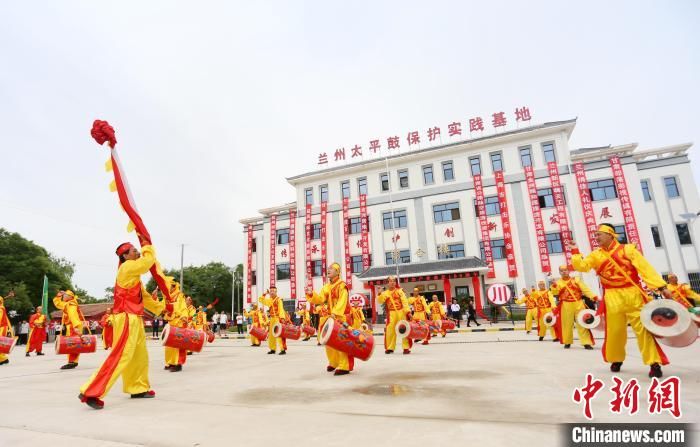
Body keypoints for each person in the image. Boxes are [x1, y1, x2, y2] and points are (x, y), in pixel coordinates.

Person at [569, 223, 672, 378]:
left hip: (633, 295)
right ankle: (616, 359)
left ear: (610, 234)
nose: (596, 237)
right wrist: (575, 251)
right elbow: (582, 267)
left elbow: (645, 269)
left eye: (599, 234)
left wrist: (661, 287)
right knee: (615, 331)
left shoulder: (628, 249)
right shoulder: (596, 255)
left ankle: (654, 363)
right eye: (595, 235)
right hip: (612, 296)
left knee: (643, 330)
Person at [78, 242, 166, 410]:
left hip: (134, 317)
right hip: (126, 317)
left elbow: (145, 298)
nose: (138, 251)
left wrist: (163, 309)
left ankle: (138, 387)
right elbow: (147, 263)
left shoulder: (133, 275)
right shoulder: (127, 267)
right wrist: (148, 247)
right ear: (125, 256)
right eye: (134, 250)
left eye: (138, 249)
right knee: (121, 356)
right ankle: (91, 391)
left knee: (139, 356)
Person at [306, 262, 353, 375]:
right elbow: (321, 299)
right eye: (328, 269)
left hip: (340, 317)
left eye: (331, 269)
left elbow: (342, 300)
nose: (328, 270)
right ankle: (334, 362)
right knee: (329, 341)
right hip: (330, 317)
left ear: (337, 272)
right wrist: (311, 294)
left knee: (342, 341)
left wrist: (336, 313)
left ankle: (344, 366)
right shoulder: (326, 287)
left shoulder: (342, 285)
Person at [549, 266, 597, 350]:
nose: (564, 272)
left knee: (582, 323)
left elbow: (585, 289)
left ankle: (586, 342)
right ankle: (567, 342)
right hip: (566, 304)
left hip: (578, 303)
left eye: (565, 270)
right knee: (567, 324)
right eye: (562, 271)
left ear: (569, 271)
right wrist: (553, 286)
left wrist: (593, 296)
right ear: (560, 272)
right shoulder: (558, 282)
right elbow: (555, 293)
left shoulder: (576, 279)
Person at [377, 276, 412, 354]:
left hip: (401, 312)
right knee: (390, 330)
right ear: (387, 283)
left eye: (394, 281)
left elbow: (404, 302)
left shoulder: (400, 291)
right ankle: (390, 347)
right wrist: (379, 293)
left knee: (404, 329)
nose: (392, 282)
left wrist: (408, 312)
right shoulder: (385, 293)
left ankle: (406, 347)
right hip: (391, 313)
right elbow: (380, 301)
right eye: (390, 281)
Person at [53, 290, 85, 369]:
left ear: (70, 297)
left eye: (65, 295)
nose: (64, 296)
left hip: (73, 325)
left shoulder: (71, 304)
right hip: (72, 325)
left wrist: (76, 326)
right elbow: (58, 304)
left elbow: (73, 315)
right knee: (73, 343)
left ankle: (72, 362)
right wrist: (58, 296)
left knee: (73, 343)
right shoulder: (67, 303)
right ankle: (73, 361)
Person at [161, 279, 189, 372]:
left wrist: (184, 316)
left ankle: (177, 364)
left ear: (174, 287)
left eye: (169, 286)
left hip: (179, 322)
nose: (168, 288)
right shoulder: (167, 297)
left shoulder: (179, 296)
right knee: (169, 345)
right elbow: (161, 306)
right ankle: (169, 362)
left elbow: (184, 307)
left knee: (177, 345)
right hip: (170, 322)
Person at [259, 286, 289, 355]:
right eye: (270, 291)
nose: (271, 292)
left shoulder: (279, 299)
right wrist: (265, 294)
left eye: (273, 291)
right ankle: (272, 349)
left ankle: (282, 349)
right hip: (272, 319)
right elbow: (261, 300)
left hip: (278, 318)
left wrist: (282, 318)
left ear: (276, 292)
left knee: (278, 334)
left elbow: (281, 309)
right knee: (271, 335)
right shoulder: (270, 300)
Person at [0, 290, 14, 365]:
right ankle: (3, 359)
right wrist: (8, 296)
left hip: (2, 327)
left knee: (0, 343)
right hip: (2, 327)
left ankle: (3, 359)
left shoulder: (1, 308)